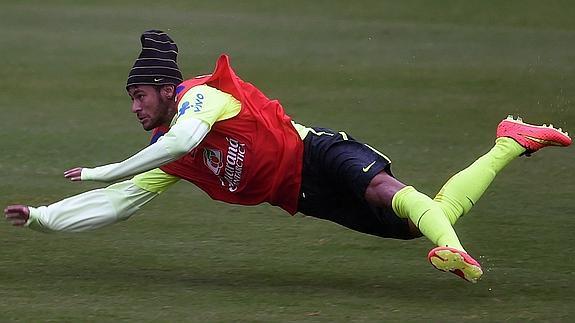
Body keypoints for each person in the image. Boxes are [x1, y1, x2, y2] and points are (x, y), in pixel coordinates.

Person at [4, 30, 572, 283]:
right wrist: (44, 217)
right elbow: (120, 203)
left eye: (137, 96)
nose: (133, 108)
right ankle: (508, 141)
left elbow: (179, 138)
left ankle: (455, 253)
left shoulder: (200, 97)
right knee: (418, 219)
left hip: (317, 151)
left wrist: (101, 165)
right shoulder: (168, 155)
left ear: (162, 88)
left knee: (388, 193)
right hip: (303, 196)